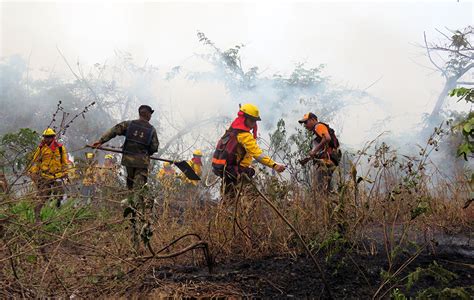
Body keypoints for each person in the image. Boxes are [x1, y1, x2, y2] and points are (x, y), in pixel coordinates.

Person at [91, 105, 159, 248]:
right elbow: (154, 148)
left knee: (132, 189)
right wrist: (146, 152)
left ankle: (133, 214)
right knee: (138, 193)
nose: (151, 116)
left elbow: (114, 130)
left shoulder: (129, 125)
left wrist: (101, 141)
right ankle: (137, 222)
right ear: (147, 114)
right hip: (142, 164)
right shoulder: (151, 130)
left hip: (128, 162)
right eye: (150, 114)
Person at [212, 103, 286, 198]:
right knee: (251, 199)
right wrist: (274, 165)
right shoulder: (244, 136)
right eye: (251, 121)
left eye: (255, 121)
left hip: (227, 172)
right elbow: (257, 154)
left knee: (227, 200)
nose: (253, 124)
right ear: (244, 119)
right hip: (237, 174)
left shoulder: (232, 131)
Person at [28, 128, 68, 222]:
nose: (48, 139)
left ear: (53, 137)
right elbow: (35, 161)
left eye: (50, 137)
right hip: (44, 176)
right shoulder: (41, 148)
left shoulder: (60, 148)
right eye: (46, 137)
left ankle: (56, 212)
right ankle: (37, 216)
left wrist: (65, 173)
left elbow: (64, 162)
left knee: (60, 194)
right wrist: (33, 173)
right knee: (43, 196)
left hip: (57, 176)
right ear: (44, 138)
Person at [298, 113, 340, 193]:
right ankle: (330, 202)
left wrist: (314, 151)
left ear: (313, 120)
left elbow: (327, 138)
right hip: (330, 159)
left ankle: (325, 203)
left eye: (306, 122)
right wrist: (306, 160)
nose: (305, 125)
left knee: (320, 188)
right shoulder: (317, 132)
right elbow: (321, 149)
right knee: (326, 187)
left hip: (327, 160)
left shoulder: (318, 126)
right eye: (304, 123)